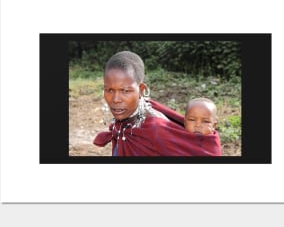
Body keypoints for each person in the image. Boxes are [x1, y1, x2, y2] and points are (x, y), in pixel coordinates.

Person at [93, 50, 222, 156]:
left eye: (125, 91)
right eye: (109, 90)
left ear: (141, 90)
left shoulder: (156, 129)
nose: (115, 99)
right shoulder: (127, 120)